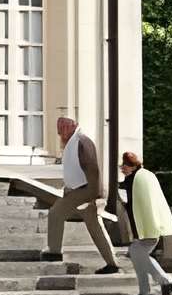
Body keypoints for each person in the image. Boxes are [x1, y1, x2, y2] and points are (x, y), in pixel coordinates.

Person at [43, 113, 119, 273]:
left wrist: (94, 194)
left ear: (71, 126)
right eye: (59, 128)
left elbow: (92, 169)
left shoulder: (82, 141)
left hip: (85, 191)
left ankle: (54, 252)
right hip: (80, 190)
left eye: (62, 127)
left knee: (56, 213)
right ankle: (112, 263)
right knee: (94, 226)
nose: (60, 132)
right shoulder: (73, 142)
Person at [120, 150, 172, 295]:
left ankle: (165, 280)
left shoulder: (132, 180)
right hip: (152, 225)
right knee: (138, 255)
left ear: (132, 167)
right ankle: (145, 292)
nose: (122, 168)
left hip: (145, 228)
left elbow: (130, 204)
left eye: (124, 165)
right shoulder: (146, 175)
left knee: (136, 252)